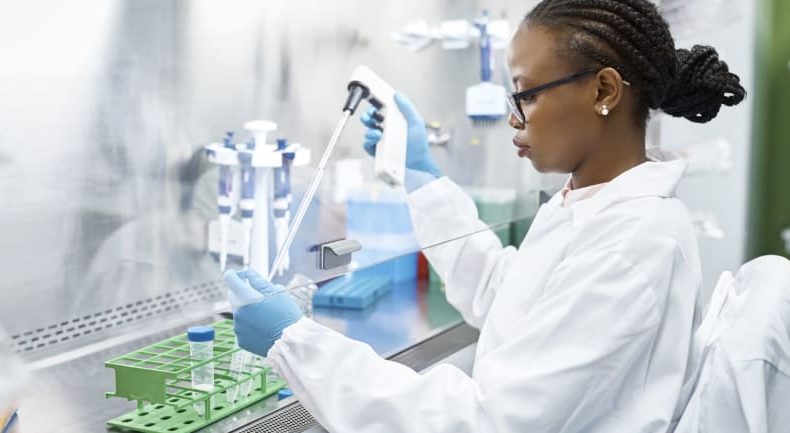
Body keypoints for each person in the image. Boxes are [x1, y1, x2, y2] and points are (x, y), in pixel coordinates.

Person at [224, 0, 747, 431]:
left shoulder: (634, 241)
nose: (514, 118)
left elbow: (488, 424)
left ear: (603, 91)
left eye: (527, 94)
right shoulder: (591, 206)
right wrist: (423, 181)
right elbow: (510, 298)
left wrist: (294, 343)